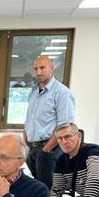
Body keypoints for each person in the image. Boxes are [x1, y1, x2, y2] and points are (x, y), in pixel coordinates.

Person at [23, 55, 75, 189]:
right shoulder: (33, 91)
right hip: (32, 147)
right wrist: (26, 139)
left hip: (49, 148)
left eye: (42, 68)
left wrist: (46, 149)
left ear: (51, 68)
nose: (38, 72)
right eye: (36, 69)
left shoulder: (62, 92)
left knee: (46, 191)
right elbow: (30, 118)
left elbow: (64, 126)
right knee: (37, 188)